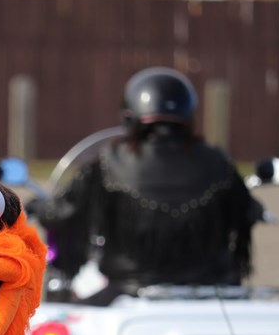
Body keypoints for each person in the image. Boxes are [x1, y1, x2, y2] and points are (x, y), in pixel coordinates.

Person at [31, 66, 263, 305]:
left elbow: (65, 211)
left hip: (130, 290)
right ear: (190, 115)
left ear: (129, 115)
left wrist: (40, 207)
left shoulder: (110, 162)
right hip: (212, 290)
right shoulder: (219, 162)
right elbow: (247, 213)